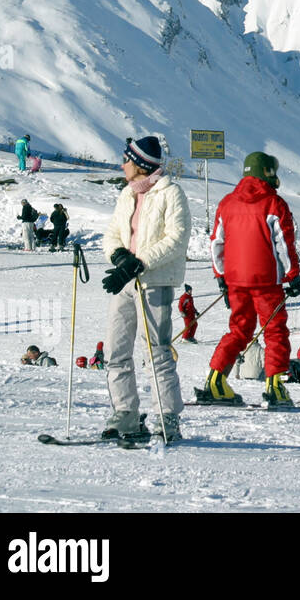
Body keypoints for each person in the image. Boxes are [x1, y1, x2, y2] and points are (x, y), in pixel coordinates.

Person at [98, 134, 190, 442]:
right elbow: (111, 234)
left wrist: (138, 262)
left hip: (155, 282)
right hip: (128, 281)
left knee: (156, 351)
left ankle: (167, 417)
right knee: (115, 348)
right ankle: (126, 413)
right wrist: (120, 256)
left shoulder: (171, 193)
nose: (122, 164)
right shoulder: (127, 194)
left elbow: (176, 240)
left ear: (139, 164)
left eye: (126, 159)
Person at [205, 151, 300, 407]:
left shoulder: (227, 202)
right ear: (269, 174)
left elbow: (217, 242)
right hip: (266, 281)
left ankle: (215, 381)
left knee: (239, 330)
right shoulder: (274, 204)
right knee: (274, 331)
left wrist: (221, 276)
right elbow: (284, 244)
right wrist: (292, 275)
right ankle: (274, 386)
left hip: (236, 280)